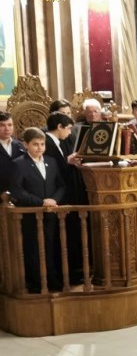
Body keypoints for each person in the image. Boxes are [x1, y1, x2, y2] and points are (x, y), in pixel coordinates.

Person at [10, 127, 66, 292]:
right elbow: (18, 191)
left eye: (42, 144)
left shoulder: (51, 161)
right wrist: (41, 202)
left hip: (50, 213)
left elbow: (62, 185)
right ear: (26, 144)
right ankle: (36, 283)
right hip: (31, 214)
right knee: (34, 248)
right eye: (35, 144)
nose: (39, 148)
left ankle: (52, 280)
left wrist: (54, 200)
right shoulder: (19, 164)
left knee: (50, 246)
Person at [0, 112, 27, 194]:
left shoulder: (20, 145)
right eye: (2, 125)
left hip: (19, 194)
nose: (7, 128)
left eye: (10, 125)